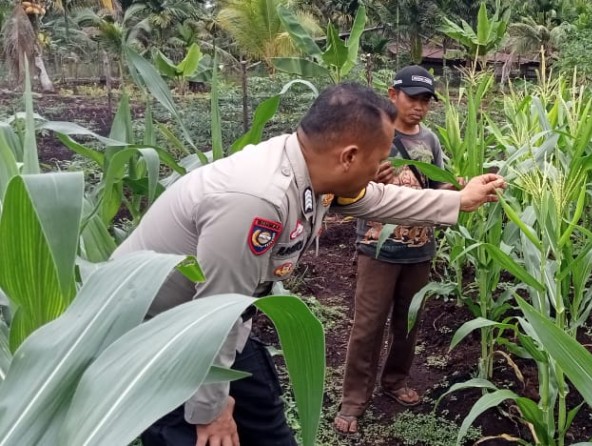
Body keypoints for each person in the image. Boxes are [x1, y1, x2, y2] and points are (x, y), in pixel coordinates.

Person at [113, 82, 506, 446]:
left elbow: (376, 199)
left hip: (222, 319)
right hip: (158, 337)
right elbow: (210, 314)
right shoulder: (257, 201)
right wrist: (210, 410)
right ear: (349, 156)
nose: (380, 172)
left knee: (265, 420)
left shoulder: (308, 166)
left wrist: (458, 200)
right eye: (378, 161)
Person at [334, 66, 454, 434]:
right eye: (412, 98)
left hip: (419, 248)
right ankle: (353, 401)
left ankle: (395, 381)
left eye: (425, 101)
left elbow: (438, 189)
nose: (418, 107)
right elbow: (347, 186)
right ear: (392, 94)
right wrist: (370, 177)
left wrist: (461, 191)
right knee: (367, 325)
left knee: (409, 322)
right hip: (376, 248)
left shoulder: (430, 141)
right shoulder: (373, 135)